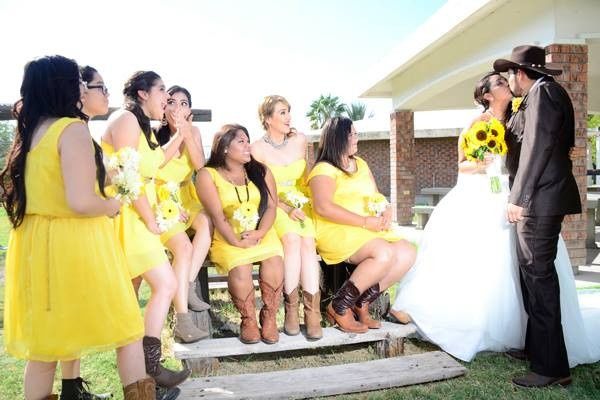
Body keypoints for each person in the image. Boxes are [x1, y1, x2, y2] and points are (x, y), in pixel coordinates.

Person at [390, 70, 600, 376]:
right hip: (483, 196)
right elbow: (461, 163)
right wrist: (479, 164)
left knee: (518, 264)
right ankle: (479, 321)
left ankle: (528, 335)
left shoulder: (519, 115)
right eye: (500, 83)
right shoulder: (478, 123)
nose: (507, 85)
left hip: (513, 194)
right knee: (485, 260)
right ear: (487, 95)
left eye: (507, 80)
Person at [0, 56, 153, 400]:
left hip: (36, 246)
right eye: (79, 82)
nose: (83, 88)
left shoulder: (33, 132)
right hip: (75, 244)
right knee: (128, 327)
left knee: (45, 348)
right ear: (63, 86)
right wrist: (113, 205)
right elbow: (81, 201)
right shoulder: (71, 130)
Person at [495, 45, 583, 388]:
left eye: (511, 76)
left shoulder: (544, 92)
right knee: (531, 274)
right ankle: (537, 348)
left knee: (539, 276)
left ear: (520, 73)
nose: (511, 83)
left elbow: (538, 146)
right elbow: (522, 140)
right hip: (541, 197)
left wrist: (520, 197)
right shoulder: (536, 96)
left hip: (539, 200)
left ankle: (551, 367)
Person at [102, 71, 189, 389]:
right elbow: (129, 174)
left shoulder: (142, 127)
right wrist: (150, 218)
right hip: (129, 216)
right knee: (165, 284)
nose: (166, 97)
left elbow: (156, 163)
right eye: (162, 90)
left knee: (132, 296)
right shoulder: (125, 120)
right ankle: (150, 368)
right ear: (142, 93)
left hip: (142, 214)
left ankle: (140, 378)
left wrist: (179, 133)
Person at [307, 116, 415, 334]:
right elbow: (323, 207)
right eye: (352, 134)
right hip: (337, 229)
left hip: (366, 228)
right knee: (383, 253)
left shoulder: (361, 163)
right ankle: (339, 306)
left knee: (407, 253)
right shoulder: (323, 170)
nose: (357, 138)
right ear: (338, 139)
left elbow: (375, 194)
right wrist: (365, 221)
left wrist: (385, 208)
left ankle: (361, 302)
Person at [196, 124, 284, 344]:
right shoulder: (208, 175)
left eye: (248, 140)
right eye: (241, 142)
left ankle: (270, 315)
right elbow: (217, 216)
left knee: (273, 259)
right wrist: (236, 241)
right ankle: (248, 320)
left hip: (261, 231)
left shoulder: (261, 171)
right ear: (225, 147)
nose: (248, 146)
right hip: (228, 236)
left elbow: (272, 207)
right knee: (241, 265)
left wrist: (260, 232)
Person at [252, 95, 322, 340]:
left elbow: (308, 177)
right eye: (282, 112)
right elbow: (262, 192)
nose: (288, 117)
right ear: (267, 118)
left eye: (288, 111)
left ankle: (312, 313)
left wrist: (305, 202)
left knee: (308, 243)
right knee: (292, 239)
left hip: (301, 202)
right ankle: (291, 310)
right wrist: (285, 207)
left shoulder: (300, 140)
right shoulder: (257, 149)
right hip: (276, 205)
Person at [155, 85, 211, 343]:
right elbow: (156, 168)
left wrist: (188, 135)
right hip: (161, 199)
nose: (178, 108)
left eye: (184, 103)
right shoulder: (153, 135)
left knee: (206, 223)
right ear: (163, 107)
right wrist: (178, 134)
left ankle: (186, 284)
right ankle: (182, 320)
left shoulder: (194, 131)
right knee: (183, 249)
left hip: (186, 196)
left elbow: (200, 166)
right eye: (172, 103)